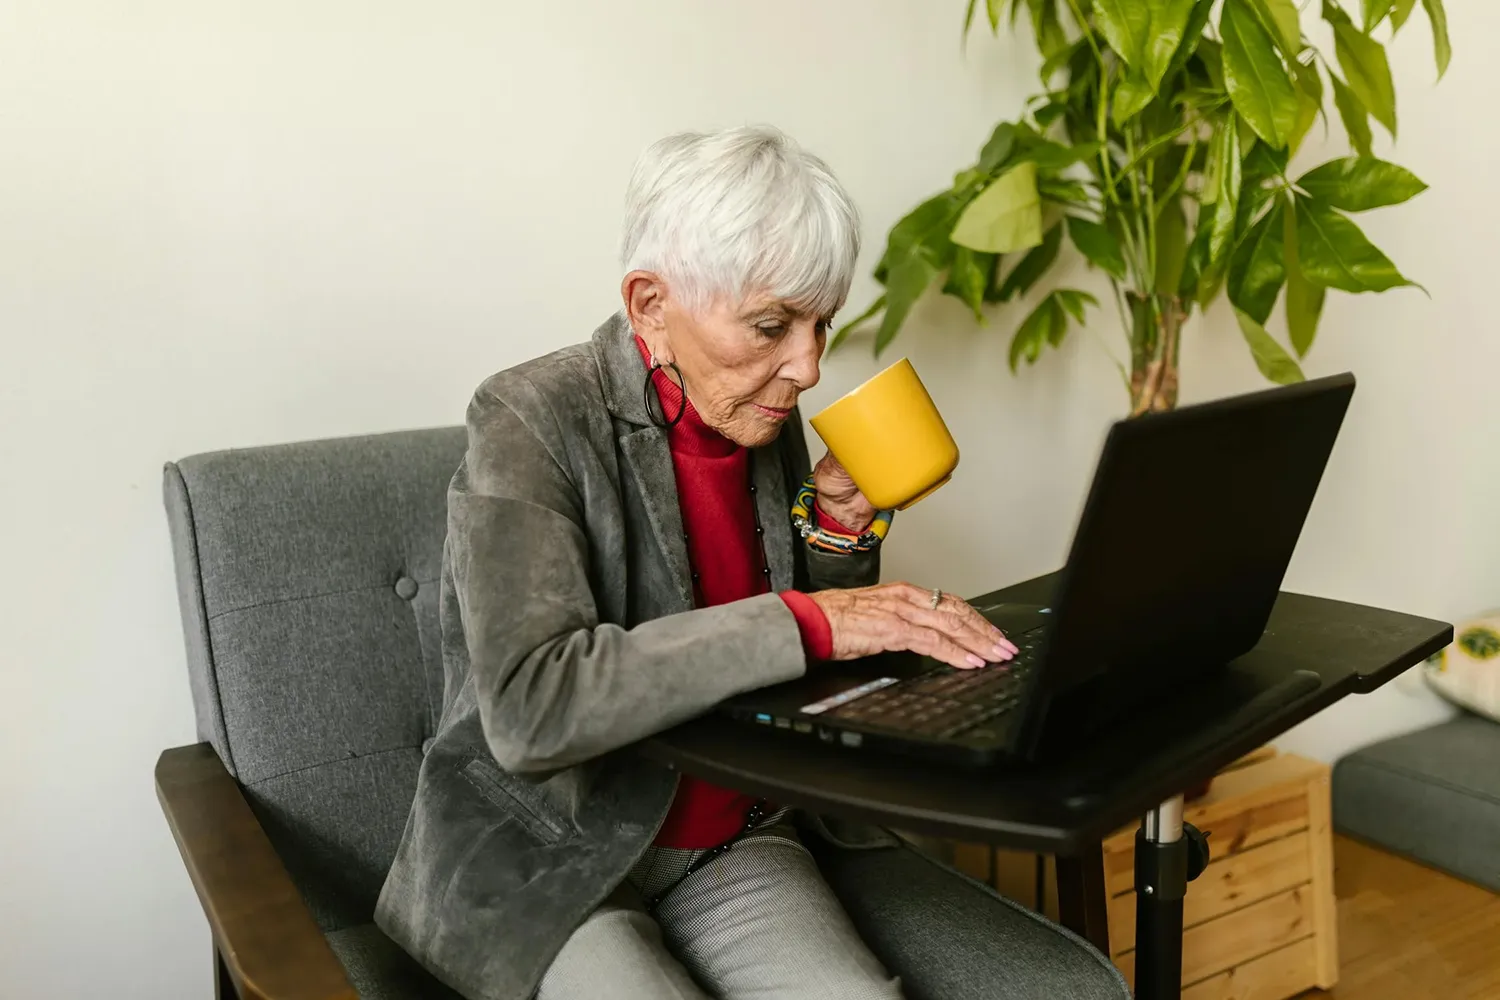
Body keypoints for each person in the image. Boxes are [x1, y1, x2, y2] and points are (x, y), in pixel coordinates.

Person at [376, 126, 1127, 1000]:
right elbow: (533, 706)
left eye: (819, 325)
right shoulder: (530, 417)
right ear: (652, 303)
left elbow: (802, 651)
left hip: (733, 837)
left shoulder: (753, 413)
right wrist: (810, 620)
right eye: (772, 325)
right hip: (556, 850)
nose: (806, 366)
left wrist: (840, 537)